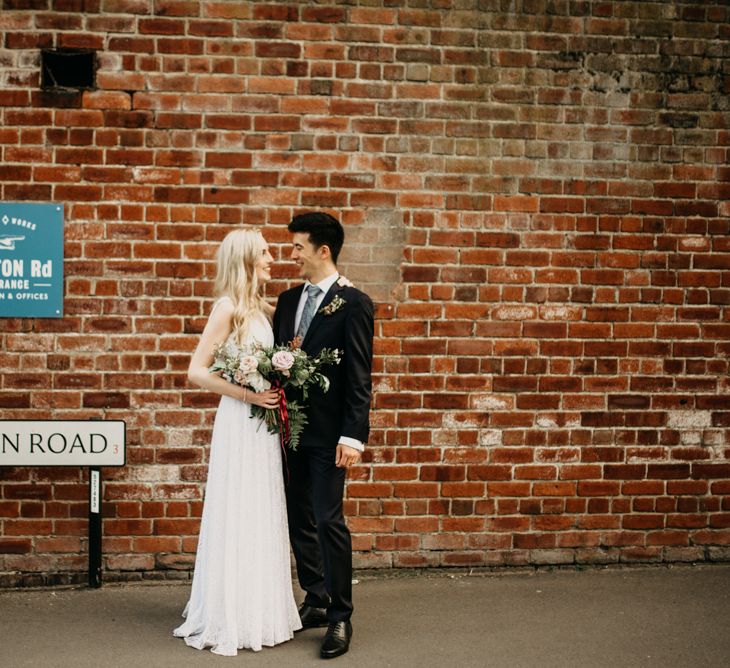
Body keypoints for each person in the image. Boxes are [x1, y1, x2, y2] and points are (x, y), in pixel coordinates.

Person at [173, 228, 302, 655]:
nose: (272, 258)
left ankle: (260, 611)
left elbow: (303, 307)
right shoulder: (227, 308)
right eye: (264, 252)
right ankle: (229, 613)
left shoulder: (261, 308)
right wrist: (250, 394)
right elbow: (196, 371)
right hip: (241, 418)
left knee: (262, 508)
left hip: (262, 424)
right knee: (238, 507)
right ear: (246, 259)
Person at [273, 211, 374, 659]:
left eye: (297, 247)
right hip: (289, 430)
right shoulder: (288, 301)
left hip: (331, 436)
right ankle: (315, 597)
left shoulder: (354, 303)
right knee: (298, 518)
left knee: (328, 520)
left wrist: (353, 438)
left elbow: (359, 377)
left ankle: (340, 617)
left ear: (322, 250)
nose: (291, 254)